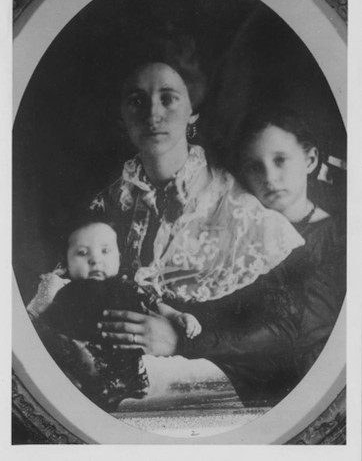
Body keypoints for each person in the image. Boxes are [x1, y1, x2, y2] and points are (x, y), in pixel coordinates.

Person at [27, 37, 306, 407]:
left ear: (193, 113)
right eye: (137, 101)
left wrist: (181, 341)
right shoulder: (107, 201)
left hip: (211, 384)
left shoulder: (238, 210)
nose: (152, 114)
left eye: (168, 98)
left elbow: (285, 332)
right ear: (121, 118)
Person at [105, 108, 345, 405]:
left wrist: (179, 341)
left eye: (280, 160)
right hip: (221, 360)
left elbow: (294, 332)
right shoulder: (239, 230)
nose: (270, 177)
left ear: (309, 160)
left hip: (287, 384)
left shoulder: (337, 238)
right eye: (255, 167)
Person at [29, 213, 202, 410]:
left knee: (130, 382)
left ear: (119, 256)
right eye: (82, 253)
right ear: (66, 262)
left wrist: (177, 316)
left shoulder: (125, 287)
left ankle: (133, 388)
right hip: (83, 370)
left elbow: (156, 305)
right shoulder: (64, 292)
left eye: (105, 251)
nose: (95, 260)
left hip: (124, 361)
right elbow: (44, 327)